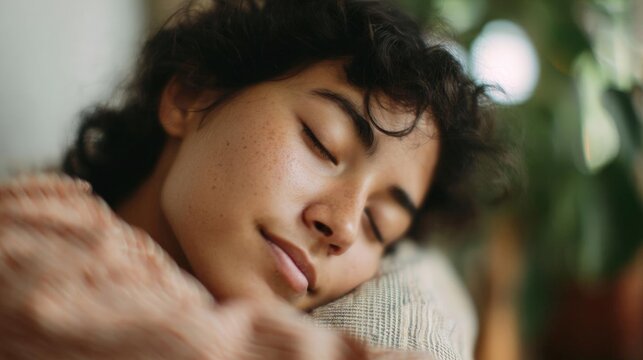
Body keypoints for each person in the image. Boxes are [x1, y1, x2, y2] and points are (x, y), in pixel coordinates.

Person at [1, 0, 512, 358]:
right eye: (321, 142)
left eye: (380, 224)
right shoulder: (30, 234)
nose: (343, 227)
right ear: (191, 95)